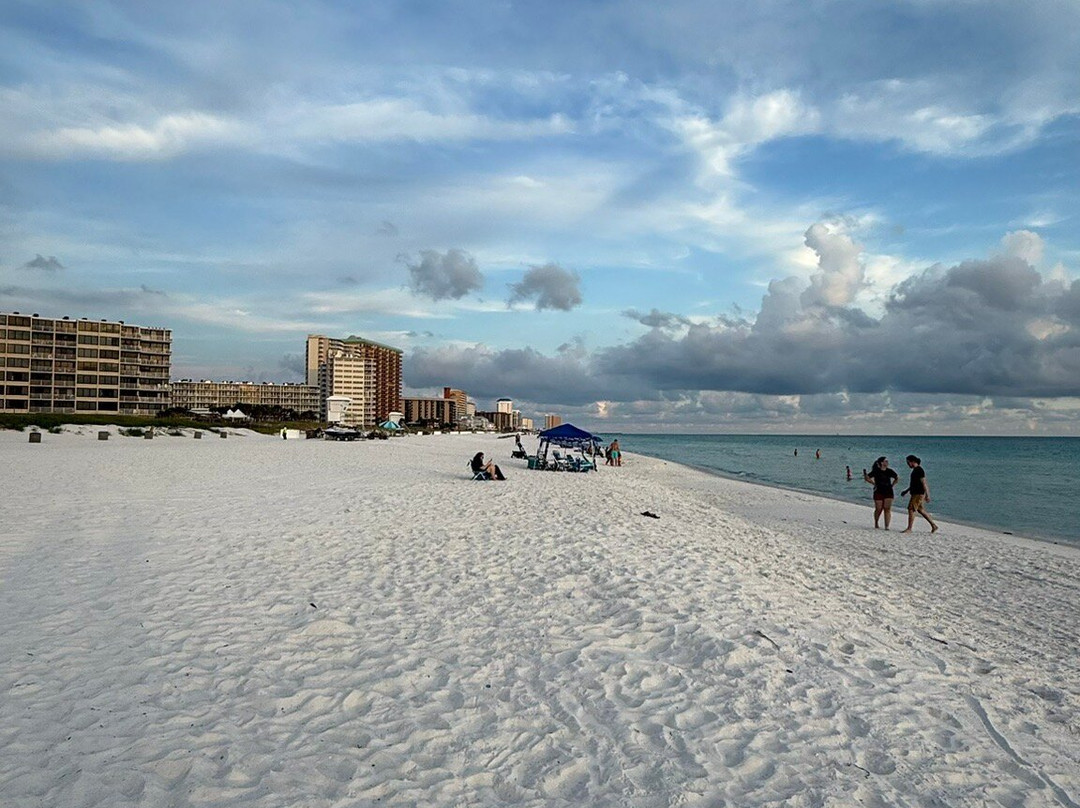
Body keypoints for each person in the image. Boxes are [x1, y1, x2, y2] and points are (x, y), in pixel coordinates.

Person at [901, 455, 938, 533]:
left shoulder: (919, 470)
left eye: (908, 463)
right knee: (920, 510)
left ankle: (909, 528)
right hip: (915, 493)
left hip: (918, 493)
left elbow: (924, 483)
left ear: (913, 462)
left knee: (911, 509)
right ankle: (933, 525)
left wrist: (927, 494)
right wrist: (906, 491)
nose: (908, 465)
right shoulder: (915, 470)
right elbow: (914, 484)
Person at [862, 456, 898, 529]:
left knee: (887, 508)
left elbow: (897, 478)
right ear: (881, 462)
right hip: (878, 491)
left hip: (888, 491)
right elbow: (867, 477)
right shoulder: (876, 471)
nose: (887, 462)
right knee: (879, 508)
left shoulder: (890, 471)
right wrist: (873, 483)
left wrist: (892, 485)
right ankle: (876, 522)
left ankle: (887, 526)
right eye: (885, 461)